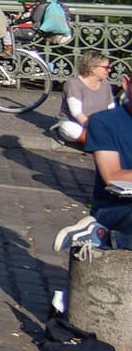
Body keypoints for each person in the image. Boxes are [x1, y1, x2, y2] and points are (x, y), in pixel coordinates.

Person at [73, 101, 132, 250]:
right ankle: (105, 237)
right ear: (126, 84)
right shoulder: (104, 122)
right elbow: (113, 176)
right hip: (116, 207)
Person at [55, 52, 115, 146]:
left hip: (101, 126)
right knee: (68, 128)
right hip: (78, 124)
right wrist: (95, 129)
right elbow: (77, 113)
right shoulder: (73, 84)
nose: (109, 70)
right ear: (92, 68)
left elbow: (111, 110)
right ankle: (99, 143)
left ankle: (98, 142)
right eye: (106, 67)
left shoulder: (106, 84)